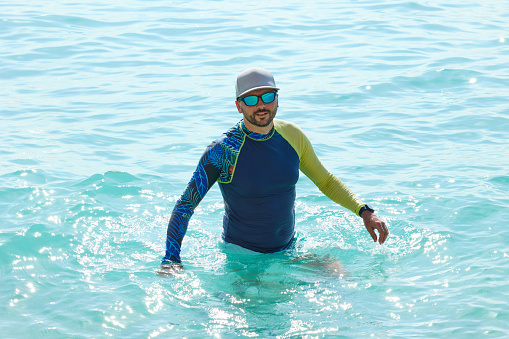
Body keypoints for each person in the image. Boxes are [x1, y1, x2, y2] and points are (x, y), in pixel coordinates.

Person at [160, 67, 388, 271]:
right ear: (238, 106)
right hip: (243, 258)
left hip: (288, 251)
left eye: (267, 96)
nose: (261, 105)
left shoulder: (292, 135)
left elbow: (325, 181)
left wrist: (365, 212)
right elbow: (185, 205)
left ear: (277, 100)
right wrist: (171, 259)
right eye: (251, 100)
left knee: (339, 273)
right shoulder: (223, 150)